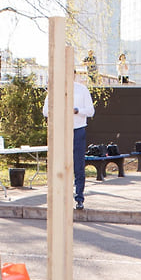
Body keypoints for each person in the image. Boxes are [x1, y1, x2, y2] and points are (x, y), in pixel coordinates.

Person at [42, 72, 96, 210]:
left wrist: (77, 110)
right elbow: (45, 111)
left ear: (74, 75)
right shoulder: (54, 90)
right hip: (61, 130)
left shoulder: (81, 89)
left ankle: (79, 198)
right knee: (59, 164)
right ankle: (60, 197)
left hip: (77, 129)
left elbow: (90, 111)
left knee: (78, 164)